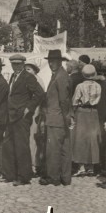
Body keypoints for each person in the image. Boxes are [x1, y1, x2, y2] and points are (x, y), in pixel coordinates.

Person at [1, 54, 44, 186]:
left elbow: (40, 93)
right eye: (14, 64)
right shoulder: (14, 76)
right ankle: (10, 174)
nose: (16, 67)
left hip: (21, 117)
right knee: (8, 145)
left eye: (19, 64)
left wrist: (28, 109)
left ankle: (24, 177)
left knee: (21, 146)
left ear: (23, 64)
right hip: (11, 116)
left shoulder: (28, 77)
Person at [38, 50, 71, 186]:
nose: (51, 64)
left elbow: (64, 100)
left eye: (54, 61)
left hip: (57, 118)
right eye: (50, 61)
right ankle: (65, 177)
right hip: (58, 117)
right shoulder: (58, 75)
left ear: (60, 61)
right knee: (63, 149)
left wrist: (66, 117)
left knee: (54, 150)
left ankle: (54, 178)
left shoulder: (60, 77)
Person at [72, 64, 102, 177]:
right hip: (94, 112)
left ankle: (81, 166)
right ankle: (92, 166)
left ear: (83, 75)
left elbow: (75, 100)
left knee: (81, 138)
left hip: (82, 112)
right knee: (92, 138)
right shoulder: (98, 86)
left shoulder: (80, 86)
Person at [24, 61, 46, 178]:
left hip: (36, 112)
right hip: (31, 111)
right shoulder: (29, 80)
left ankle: (35, 165)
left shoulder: (37, 80)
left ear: (34, 71)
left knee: (33, 138)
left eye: (29, 69)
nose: (27, 71)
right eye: (25, 69)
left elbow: (40, 97)